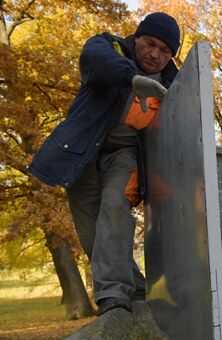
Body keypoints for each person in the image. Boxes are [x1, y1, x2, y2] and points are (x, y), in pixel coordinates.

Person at [28, 13, 181, 315]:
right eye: (150, 44)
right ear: (137, 38)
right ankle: (135, 288)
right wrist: (132, 78)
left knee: (114, 207)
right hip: (81, 152)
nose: (155, 55)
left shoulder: (173, 83)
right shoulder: (108, 47)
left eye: (165, 51)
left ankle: (112, 297)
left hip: (124, 154)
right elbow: (94, 60)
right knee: (91, 233)